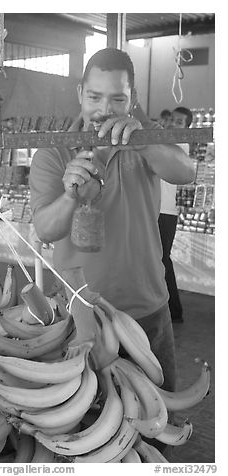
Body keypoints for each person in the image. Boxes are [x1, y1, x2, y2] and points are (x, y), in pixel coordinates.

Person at [29, 48, 195, 393]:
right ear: (80, 94)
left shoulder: (145, 134)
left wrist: (142, 143)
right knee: (85, 426)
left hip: (147, 310)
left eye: (118, 99)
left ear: (132, 99)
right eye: (94, 97)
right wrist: (71, 195)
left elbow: (186, 171)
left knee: (155, 422)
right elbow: (46, 228)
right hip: (80, 315)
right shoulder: (53, 152)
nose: (105, 110)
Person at [158, 106, 193, 323]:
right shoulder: (163, 139)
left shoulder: (179, 145)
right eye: (172, 120)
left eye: (179, 123)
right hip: (155, 208)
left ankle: (174, 310)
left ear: (187, 128)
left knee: (162, 259)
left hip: (165, 212)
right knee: (157, 259)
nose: (172, 124)